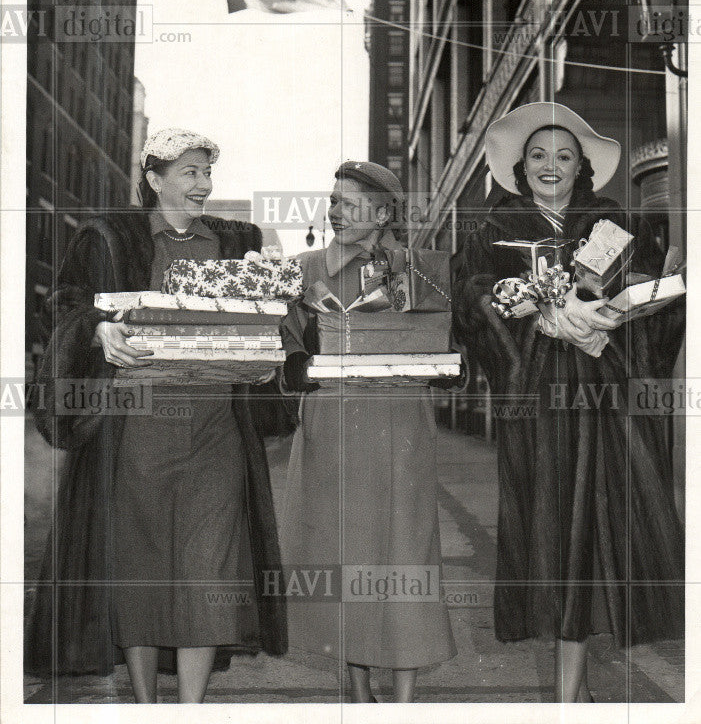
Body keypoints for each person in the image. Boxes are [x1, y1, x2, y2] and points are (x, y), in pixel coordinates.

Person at [25, 128, 287, 702]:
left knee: (208, 566)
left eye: (206, 173)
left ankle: (189, 707)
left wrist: (271, 352)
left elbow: (273, 319)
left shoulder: (240, 238)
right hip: (135, 425)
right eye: (190, 172)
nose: (203, 184)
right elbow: (67, 300)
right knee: (139, 564)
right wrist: (98, 328)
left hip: (216, 425)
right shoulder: (109, 236)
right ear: (154, 178)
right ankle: (146, 705)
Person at [452, 102, 684, 703]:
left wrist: (611, 326)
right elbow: (470, 306)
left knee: (611, 522)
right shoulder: (490, 230)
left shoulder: (613, 225)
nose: (550, 166)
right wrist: (542, 319)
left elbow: (661, 306)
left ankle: (569, 692)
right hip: (537, 404)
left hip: (609, 399)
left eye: (563, 156)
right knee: (552, 524)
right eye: (537, 156)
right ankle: (569, 692)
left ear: (582, 166)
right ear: (520, 168)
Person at [280, 161, 456, 703]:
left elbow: (448, 345)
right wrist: (297, 362)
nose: (335, 211)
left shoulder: (418, 269)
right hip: (333, 428)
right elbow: (285, 351)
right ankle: (358, 694)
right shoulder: (304, 269)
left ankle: (402, 699)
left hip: (402, 427)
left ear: (383, 214)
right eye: (332, 201)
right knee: (343, 556)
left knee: (408, 557)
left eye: (348, 203)